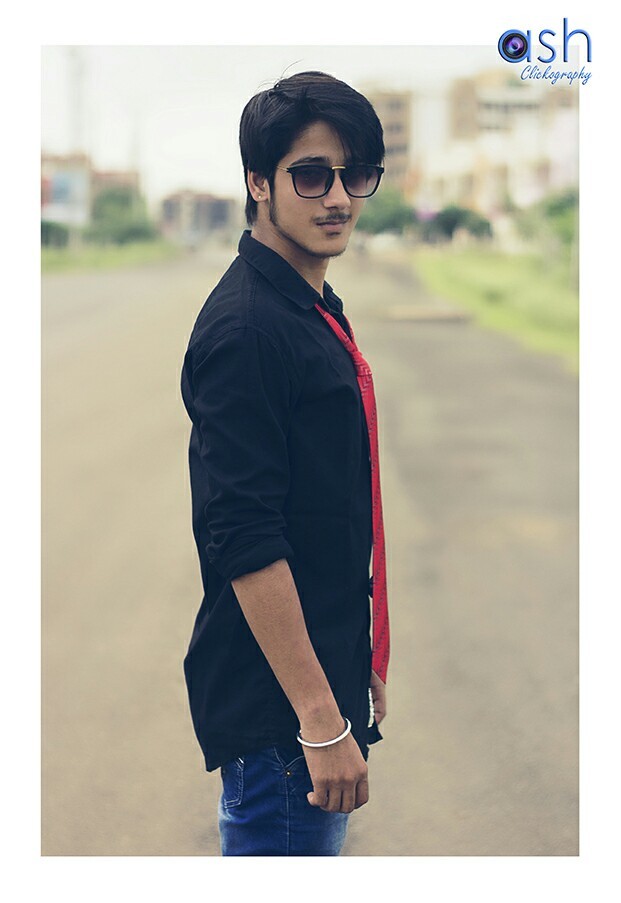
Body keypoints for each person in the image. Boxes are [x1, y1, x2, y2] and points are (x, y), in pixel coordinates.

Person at [180, 70, 390, 857]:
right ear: (258, 183)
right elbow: (245, 535)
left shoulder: (305, 306)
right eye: (309, 175)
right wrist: (319, 717)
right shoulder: (248, 330)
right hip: (283, 724)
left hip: (311, 691)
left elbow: (322, 513)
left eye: (354, 173)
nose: (336, 197)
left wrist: (352, 657)